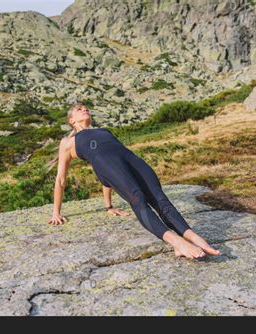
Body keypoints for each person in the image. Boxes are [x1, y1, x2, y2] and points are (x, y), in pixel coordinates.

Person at [47, 102, 221, 259]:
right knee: (138, 198)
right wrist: (56, 212)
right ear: (71, 120)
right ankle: (176, 242)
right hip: (107, 164)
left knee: (160, 198)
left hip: (131, 160)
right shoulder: (68, 142)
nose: (85, 109)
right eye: (79, 109)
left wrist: (109, 206)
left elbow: (109, 177)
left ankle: (193, 236)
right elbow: (62, 178)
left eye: (86, 108)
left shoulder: (104, 131)